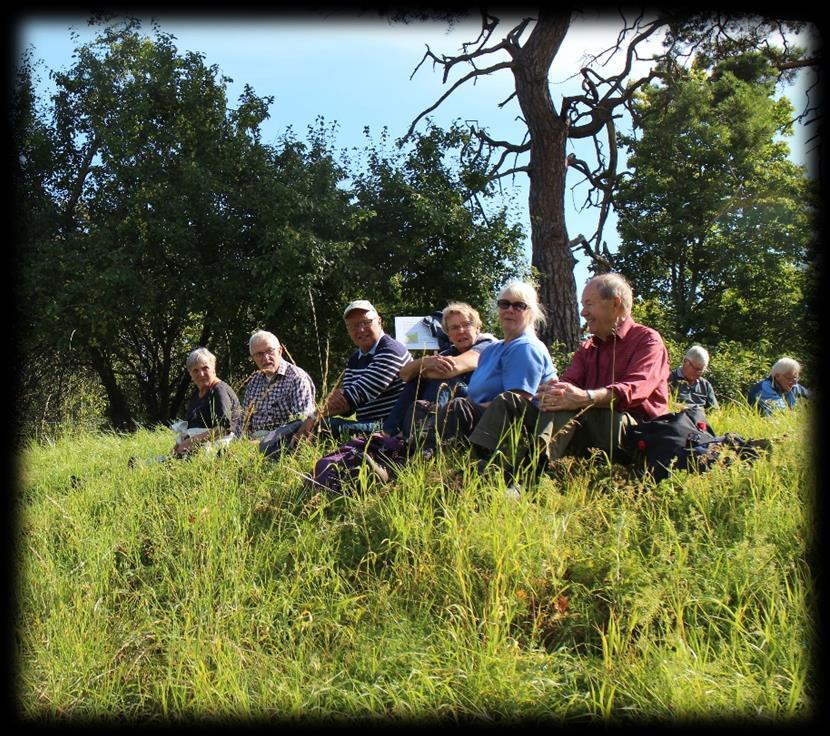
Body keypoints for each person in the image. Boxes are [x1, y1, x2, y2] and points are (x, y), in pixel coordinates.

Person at [470, 273, 670, 489]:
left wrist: (585, 398)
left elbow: (635, 389)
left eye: (589, 304)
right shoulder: (588, 348)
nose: (583, 312)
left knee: (565, 404)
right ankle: (479, 467)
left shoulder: (647, 340)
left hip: (631, 430)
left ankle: (528, 480)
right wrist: (555, 393)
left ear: (615, 303)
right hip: (586, 425)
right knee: (511, 400)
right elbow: (567, 383)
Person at [419, 281, 556, 455]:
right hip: (479, 419)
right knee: (422, 407)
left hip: (514, 431)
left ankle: (420, 458)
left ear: (530, 312)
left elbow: (516, 402)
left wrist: (459, 408)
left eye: (519, 306)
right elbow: (473, 397)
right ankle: (402, 451)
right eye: (504, 304)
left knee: (459, 408)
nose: (509, 310)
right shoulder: (492, 350)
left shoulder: (525, 347)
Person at [295, 300, 412, 441]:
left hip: (390, 428)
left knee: (323, 426)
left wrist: (314, 416)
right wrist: (338, 398)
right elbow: (348, 408)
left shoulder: (391, 350)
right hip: (367, 425)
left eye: (366, 322)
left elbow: (357, 394)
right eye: (354, 326)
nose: (361, 330)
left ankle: (282, 448)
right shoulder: (355, 358)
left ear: (380, 321)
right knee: (303, 425)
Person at [381, 302, 496, 439]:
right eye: (454, 327)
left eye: (466, 325)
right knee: (415, 380)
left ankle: (423, 435)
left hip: (479, 407)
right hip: (458, 406)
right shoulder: (451, 351)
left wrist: (423, 370)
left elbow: (453, 368)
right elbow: (404, 374)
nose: (461, 331)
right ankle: (388, 433)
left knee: (443, 377)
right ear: (448, 335)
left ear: (477, 328)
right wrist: (424, 362)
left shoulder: (487, 345)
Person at [236, 330, 316, 453]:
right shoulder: (254, 382)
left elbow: (302, 421)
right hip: (251, 439)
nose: (265, 358)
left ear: (280, 351)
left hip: (280, 441)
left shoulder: (297, 378)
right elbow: (243, 421)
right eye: (259, 354)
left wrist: (263, 442)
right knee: (219, 450)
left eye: (269, 351)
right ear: (253, 358)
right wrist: (238, 442)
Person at [172, 347, 242, 457]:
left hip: (217, 444)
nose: (201, 374)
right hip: (195, 444)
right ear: (190, 373)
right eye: (195, 370)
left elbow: (224, 428)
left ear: (213, 368)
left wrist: (192, 441)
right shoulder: (195, 395)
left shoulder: (219, 390)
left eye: (205, 368)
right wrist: (179, 445)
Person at [668, 345, 719, 409]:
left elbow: (715, 410)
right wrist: (686, 409)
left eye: (702, 370)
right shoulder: (669, 379)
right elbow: (662, 403)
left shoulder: (705, 385)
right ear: (685, 362)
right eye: (697, 369)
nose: (699, 373)